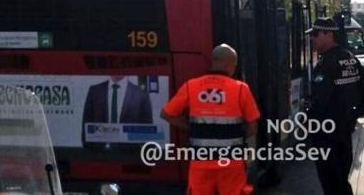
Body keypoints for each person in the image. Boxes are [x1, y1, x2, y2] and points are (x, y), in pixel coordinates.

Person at [161, 44, 260, 195]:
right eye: (234, 65)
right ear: (229, 64)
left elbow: (166, 114)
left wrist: (191, 128)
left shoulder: (191, 86)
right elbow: (253, 127)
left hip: (201, 164)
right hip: (231, 164)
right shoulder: (240, 89)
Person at [305, 17, 364, 195]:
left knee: (331, 183)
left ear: (329, 35)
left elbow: (320, 101)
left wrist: (309, 119)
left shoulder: (326, 64)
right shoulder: (350, 58)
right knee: (341, 181)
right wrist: (351, 117)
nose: (312, 39)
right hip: (344, 132)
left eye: (315, 34)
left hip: (326, 135)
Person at [82, 75, 153, 147]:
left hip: (130, 154)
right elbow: (86, 122)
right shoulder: (94, 90)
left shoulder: (141, 94)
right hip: (98, 153)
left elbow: (147, 129)